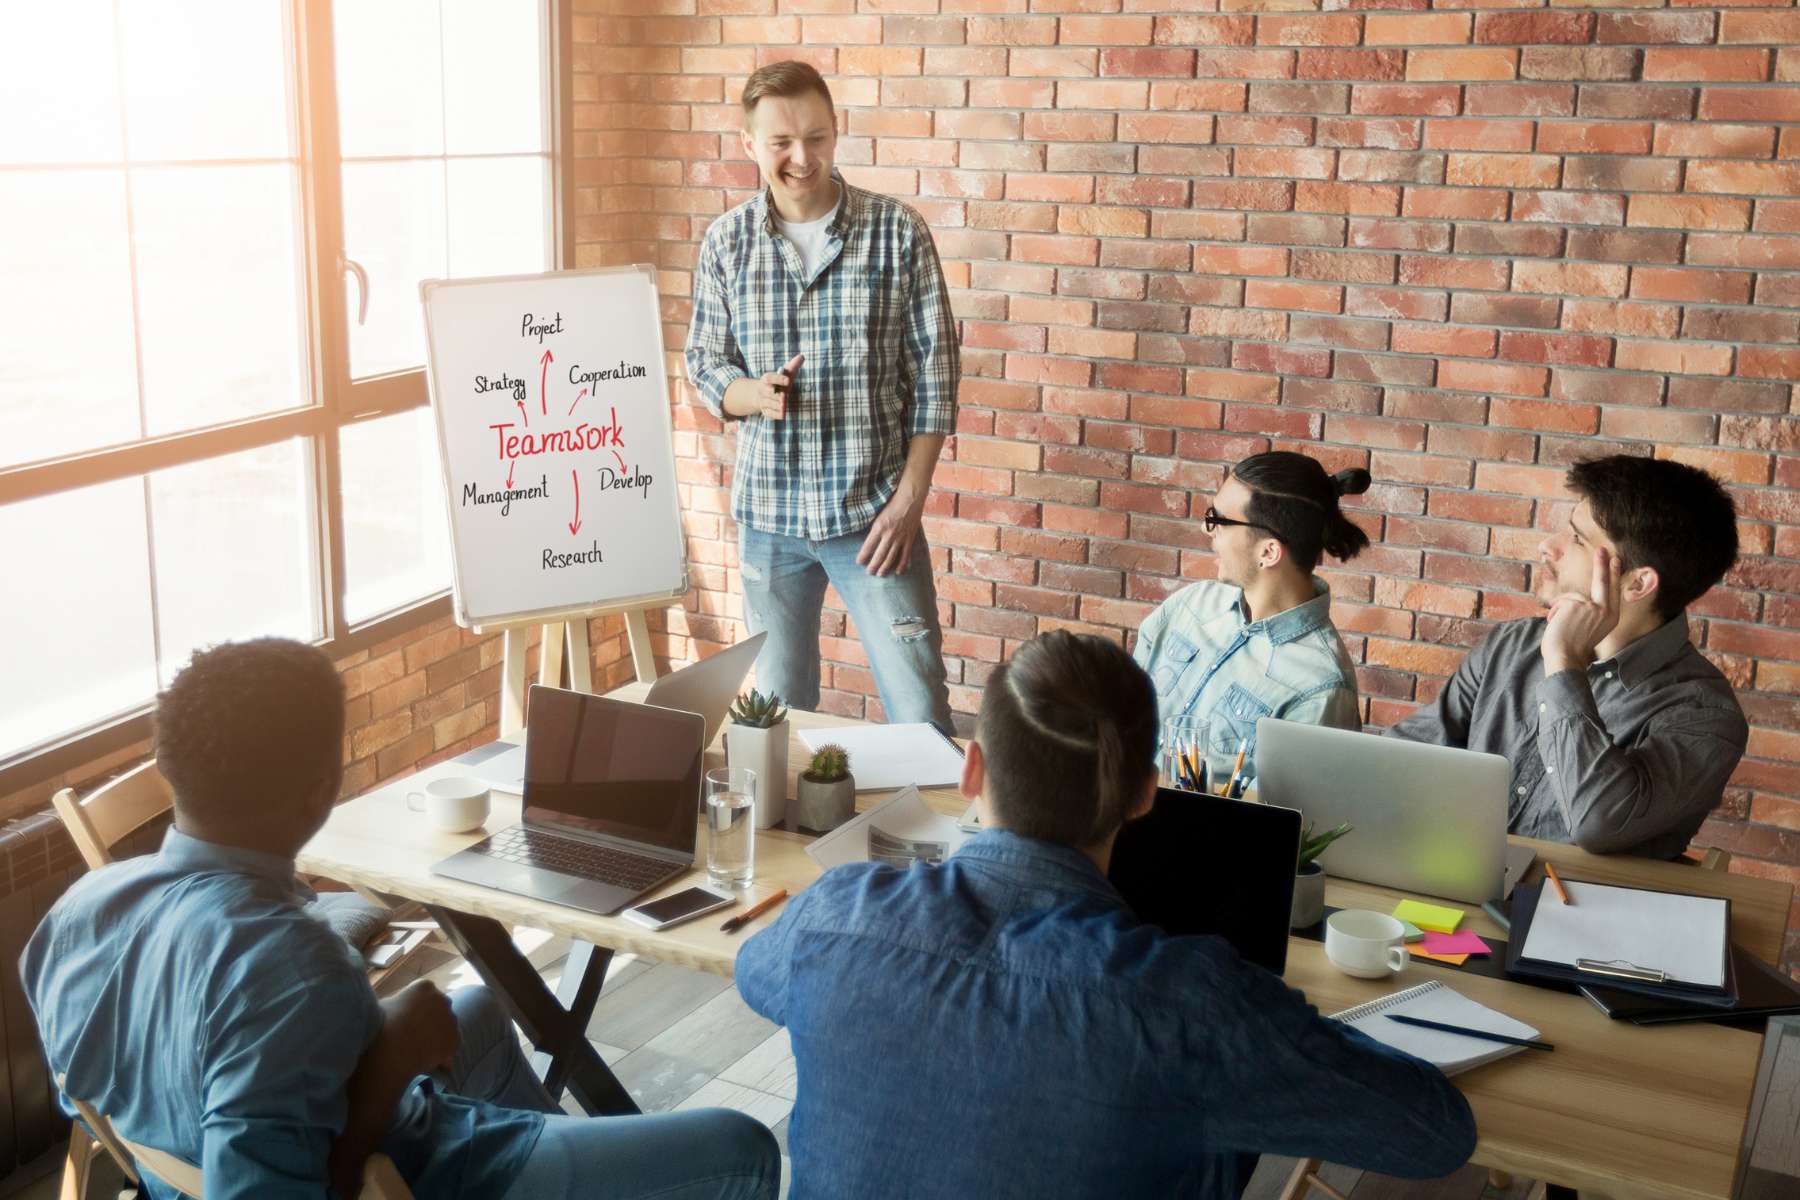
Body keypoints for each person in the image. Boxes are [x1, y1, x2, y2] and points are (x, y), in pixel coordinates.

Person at [22, 638, 778, 1200]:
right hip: (422, 1171)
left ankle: (578, 1161)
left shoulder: (75, 914)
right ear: (322, 788)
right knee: (740, 1145)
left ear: (172, 770)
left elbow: (131, 1073)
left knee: (476, 1007)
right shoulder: (292, 969)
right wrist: (385, 1070)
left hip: (177, 1154)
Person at [737, 630, 1477, 1199]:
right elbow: (1435, 1135)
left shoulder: (838, 914)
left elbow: (755, 976)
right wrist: (1275, 1035)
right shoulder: (1191, 1004)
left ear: (972, 768)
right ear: (1146, 795)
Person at [684, 60, 958, 732]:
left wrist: (908, 504)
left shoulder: (898, 233)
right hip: (768, 520)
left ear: (836, 133)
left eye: (816, 137)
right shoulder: (726, 243)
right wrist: (751, 393)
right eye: (780, 143)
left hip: (874, 517)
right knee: (777, 717)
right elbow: (702, 359)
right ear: (749, 145)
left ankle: (946, 841)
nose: (800, 158)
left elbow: (935, 379)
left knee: (919, 709)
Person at [1389, 455, 1748, 859]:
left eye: (1577, 539)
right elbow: (1401, 757)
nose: (1548, 546)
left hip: (1581, 914)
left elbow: (1599, 824)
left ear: (1637, 583)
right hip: (1457, 888)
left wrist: (1563, 664)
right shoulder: (1513, 645)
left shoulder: (1704, 715)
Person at [1133, 451, 1372, 782]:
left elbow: (1291, 824)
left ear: (1268, 551)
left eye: (1218, 520)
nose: (1207, 528)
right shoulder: (1190, 605)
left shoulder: (1321, 688)